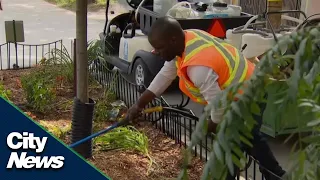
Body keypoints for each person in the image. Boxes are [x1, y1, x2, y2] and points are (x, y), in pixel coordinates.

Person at [126, 16, 286, 180]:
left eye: (159, 48)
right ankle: (276, 175)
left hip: (250, 93)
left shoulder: (198, 69)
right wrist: (138, 105)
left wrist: (209, 126)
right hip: (237, 93)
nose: (156, 53)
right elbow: (165, 76)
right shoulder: (186, 40)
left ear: (173, 40)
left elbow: (219, 108)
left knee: (241, 139)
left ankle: (276, 175)